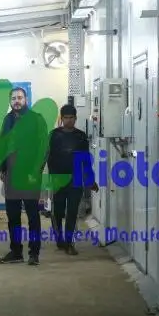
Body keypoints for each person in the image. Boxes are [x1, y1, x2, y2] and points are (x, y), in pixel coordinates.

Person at [0, 87, 49, 266]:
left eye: (19, 97)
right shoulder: (8, 120)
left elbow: (43, 147)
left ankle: (34, 253)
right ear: (10, 101)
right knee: (13, 216)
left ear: (26, 99)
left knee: (33, 216)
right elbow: (1, 144)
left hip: (30, 175)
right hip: (11, 175)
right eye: (13, 98)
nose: (16, 101)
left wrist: (36, 171)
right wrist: (1, 167)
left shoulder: (36, 119)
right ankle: (16, 251)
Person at [46, 104, 98, 255]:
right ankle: (59, 239)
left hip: (76, 180)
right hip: (57, 180)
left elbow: (86, 161)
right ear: (61, 119)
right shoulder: (53, 136)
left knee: (73, 213)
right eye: (66, 118)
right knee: (57, 212)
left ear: (75, 118)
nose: (68, 120)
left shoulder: (81, 137)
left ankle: (70, 243)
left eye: (71, 118)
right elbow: (45, 156)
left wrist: (90, 180)